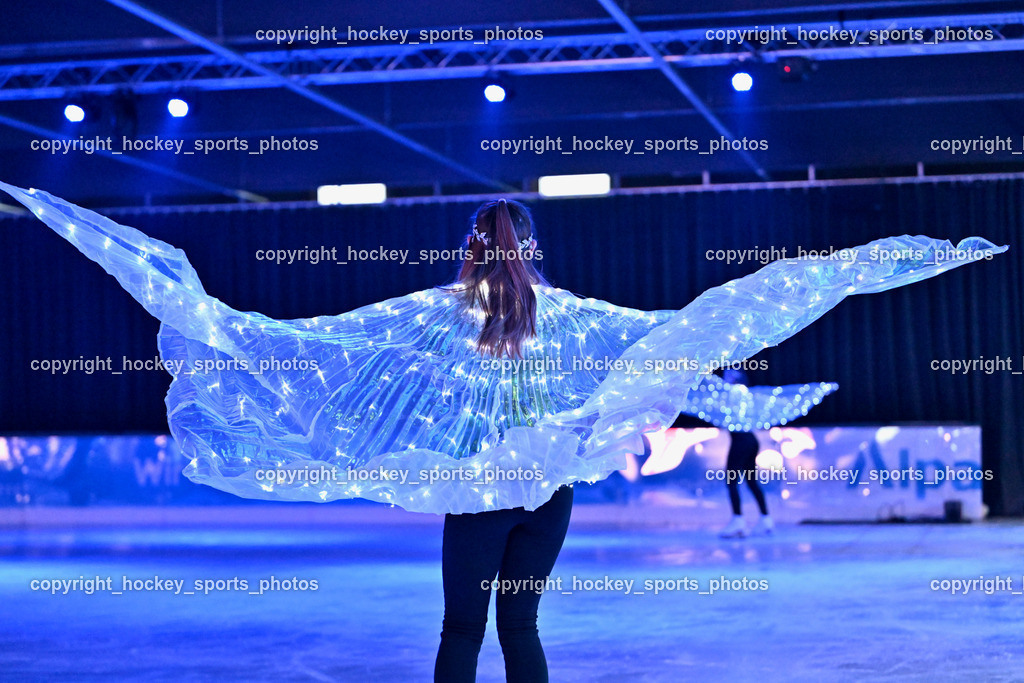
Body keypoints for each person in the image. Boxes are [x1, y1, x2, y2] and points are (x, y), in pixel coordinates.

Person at [0, 181, 1006, 680]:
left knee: (460, 628)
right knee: (521, 626)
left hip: (481, 495)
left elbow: (323, 342)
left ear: (472, 247)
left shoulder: (443, 312)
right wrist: (774, 358)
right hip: (547, 495)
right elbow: (671, 336)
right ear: (529, 247)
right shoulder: (565, 314)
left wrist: (217, 324)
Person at [717, 368, 773, 539]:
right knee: (751, 481)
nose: (726, 378)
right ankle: (766, 520)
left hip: (741, 441)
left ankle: (738, 521)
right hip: (750, 441)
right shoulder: (743, 395)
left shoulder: (735, 394)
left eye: (729, 376)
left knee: (732, 481)